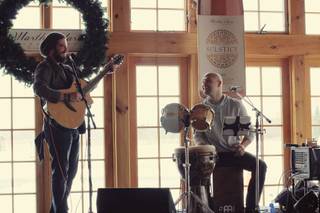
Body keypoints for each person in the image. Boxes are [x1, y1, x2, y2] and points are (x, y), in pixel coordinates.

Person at [194, 72, 267, 213]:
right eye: (202, 82)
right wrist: (207, 148)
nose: (203, 85)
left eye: (207, 81)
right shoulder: (201, 108)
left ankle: (251, 208)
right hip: (213, 156)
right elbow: (198, 136)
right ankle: (209, 208)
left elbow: (249, 131)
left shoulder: (235, 105)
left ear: (219, 84)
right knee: (197, 174)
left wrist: (243, 146)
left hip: (234, 153)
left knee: (261, 166)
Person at [33, 32, 85, 213]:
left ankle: (56, 210)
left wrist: (105, 71)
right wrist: (64, 96)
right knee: (61, 171)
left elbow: (79, 92)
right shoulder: (45, 66)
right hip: (56, 125)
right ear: (51, 50)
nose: (66, 49)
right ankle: (61, 210)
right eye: (62, 46)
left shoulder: (69, 69)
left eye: (66, 45)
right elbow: (38, 87)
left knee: (71, 171)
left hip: (73, 125)